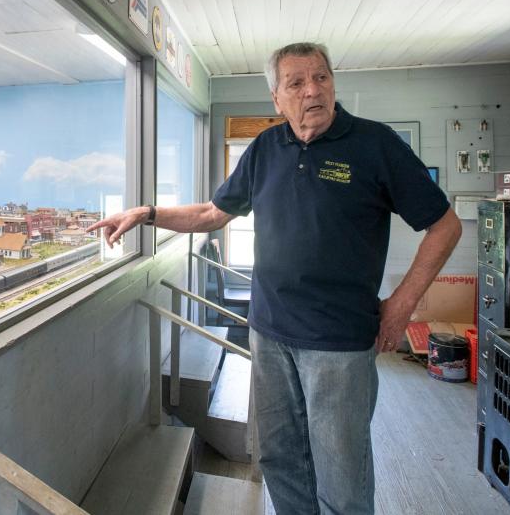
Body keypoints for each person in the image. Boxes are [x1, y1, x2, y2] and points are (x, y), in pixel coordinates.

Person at [88, 42, 461, 515]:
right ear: (277, 98)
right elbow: (210, 213)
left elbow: (445, 226)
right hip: (269, 334)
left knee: (342, 473)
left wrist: (402, 304)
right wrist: (148, 213)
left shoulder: (375, 144)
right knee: (280, 458)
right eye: (297, 83)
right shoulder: (266, 147)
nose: (313, 91)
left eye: (321, 78)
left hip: (340, 342)